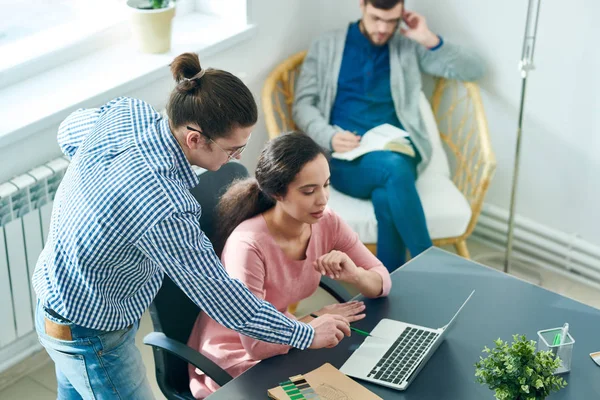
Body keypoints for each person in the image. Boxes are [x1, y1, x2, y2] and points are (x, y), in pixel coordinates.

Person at [32, 53, 351, 399]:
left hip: (55, 297)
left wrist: (100, 189)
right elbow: (224, 300)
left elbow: (69, 131)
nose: (239, 158)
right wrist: (306, 334)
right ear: (195, 139)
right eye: (233, 149)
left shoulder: (130, 113)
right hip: (90, 331)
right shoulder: (162, 206)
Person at [187, 132, 392, 398]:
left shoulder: (326, 221)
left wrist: (355, 274)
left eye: (326, 185)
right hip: (238, 355)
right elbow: (255, 343)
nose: (323, 199)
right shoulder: (247, 245)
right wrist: (314, 319)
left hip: (285, 338)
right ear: (276, 193)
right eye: (309, 191)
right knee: (331, 390)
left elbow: (382, 280)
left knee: (354, 381)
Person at [293, 0, 485, 272]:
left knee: (392, 173)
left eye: (392, 21)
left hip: (399, 151)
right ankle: (431, 271)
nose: (383, 29)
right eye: (376, 18)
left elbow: (474, 70)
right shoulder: (327, 45)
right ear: (362, 5)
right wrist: (329, 136)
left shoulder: (406, 45)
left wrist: (428, 38)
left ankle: (386, 289)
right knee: (388, 187)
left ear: (402, 14)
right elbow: (303, 104)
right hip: (347, 157)